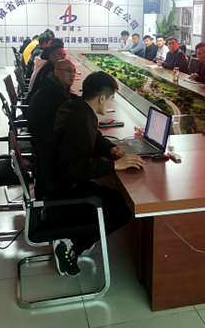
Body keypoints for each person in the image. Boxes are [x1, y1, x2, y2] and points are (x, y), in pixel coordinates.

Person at [36, 71, 145, 276]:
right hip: (59, 195)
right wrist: (113, 166)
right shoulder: (78, 119)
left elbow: (94, 136)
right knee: (122, 212)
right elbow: (72, 167)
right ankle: (72, 246)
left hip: (58, 184)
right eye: (111, 99)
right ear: (102, 98)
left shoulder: (76, 107)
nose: (110, 103)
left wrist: (110, 150)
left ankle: (74, 239)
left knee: (119, 200)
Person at [27, 59, 78, 148]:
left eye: (74, 71)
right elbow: (73, 109)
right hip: (43, 142)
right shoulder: (52, 93)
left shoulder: (52, 84)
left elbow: (70, 98)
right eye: (69, 71)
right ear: (57, 73)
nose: (73, 75)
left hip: (46, 135)